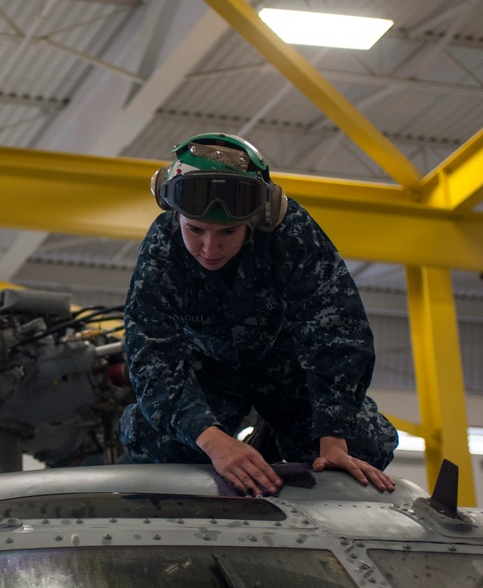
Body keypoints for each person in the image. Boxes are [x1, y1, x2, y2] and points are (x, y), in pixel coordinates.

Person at [119, 132, 398, 496]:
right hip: (208, 370)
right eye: (195, 229)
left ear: (256, 219)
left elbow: (337, 329)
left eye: (227, 232)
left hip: (285, 364)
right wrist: (213, 441)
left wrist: (333, 441)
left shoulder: (291, 233)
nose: (209, 248)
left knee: (366, 448)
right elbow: (152, 351)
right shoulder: (163, 244)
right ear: (176, 217)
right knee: (153, 442)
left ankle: (273, 446)